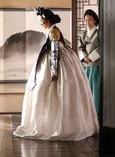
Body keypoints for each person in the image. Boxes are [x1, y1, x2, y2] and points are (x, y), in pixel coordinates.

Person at [13, 7, 99, 140]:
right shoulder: (53, 30)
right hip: (61, 60)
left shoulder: (53, 31)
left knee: (48, 90)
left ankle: (55, 124)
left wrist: (54, 71)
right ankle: (52, 121)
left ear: (47, 21)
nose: (41, 23)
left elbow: (54, 53)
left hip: (57, 63)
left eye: (42, 20)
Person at [78, 9, 101, 116]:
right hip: (85, 65)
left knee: (95, 90)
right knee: (85, 90)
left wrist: (91, 57)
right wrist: (84, 57)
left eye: (90, 20)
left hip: (96, 65)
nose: (87, 22)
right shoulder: (83, 34)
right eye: (86, 20)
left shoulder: (99, 33)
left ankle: (95, 115)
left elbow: (102, 47)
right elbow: (80, 48)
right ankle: (86, 115)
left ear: (95, 20)